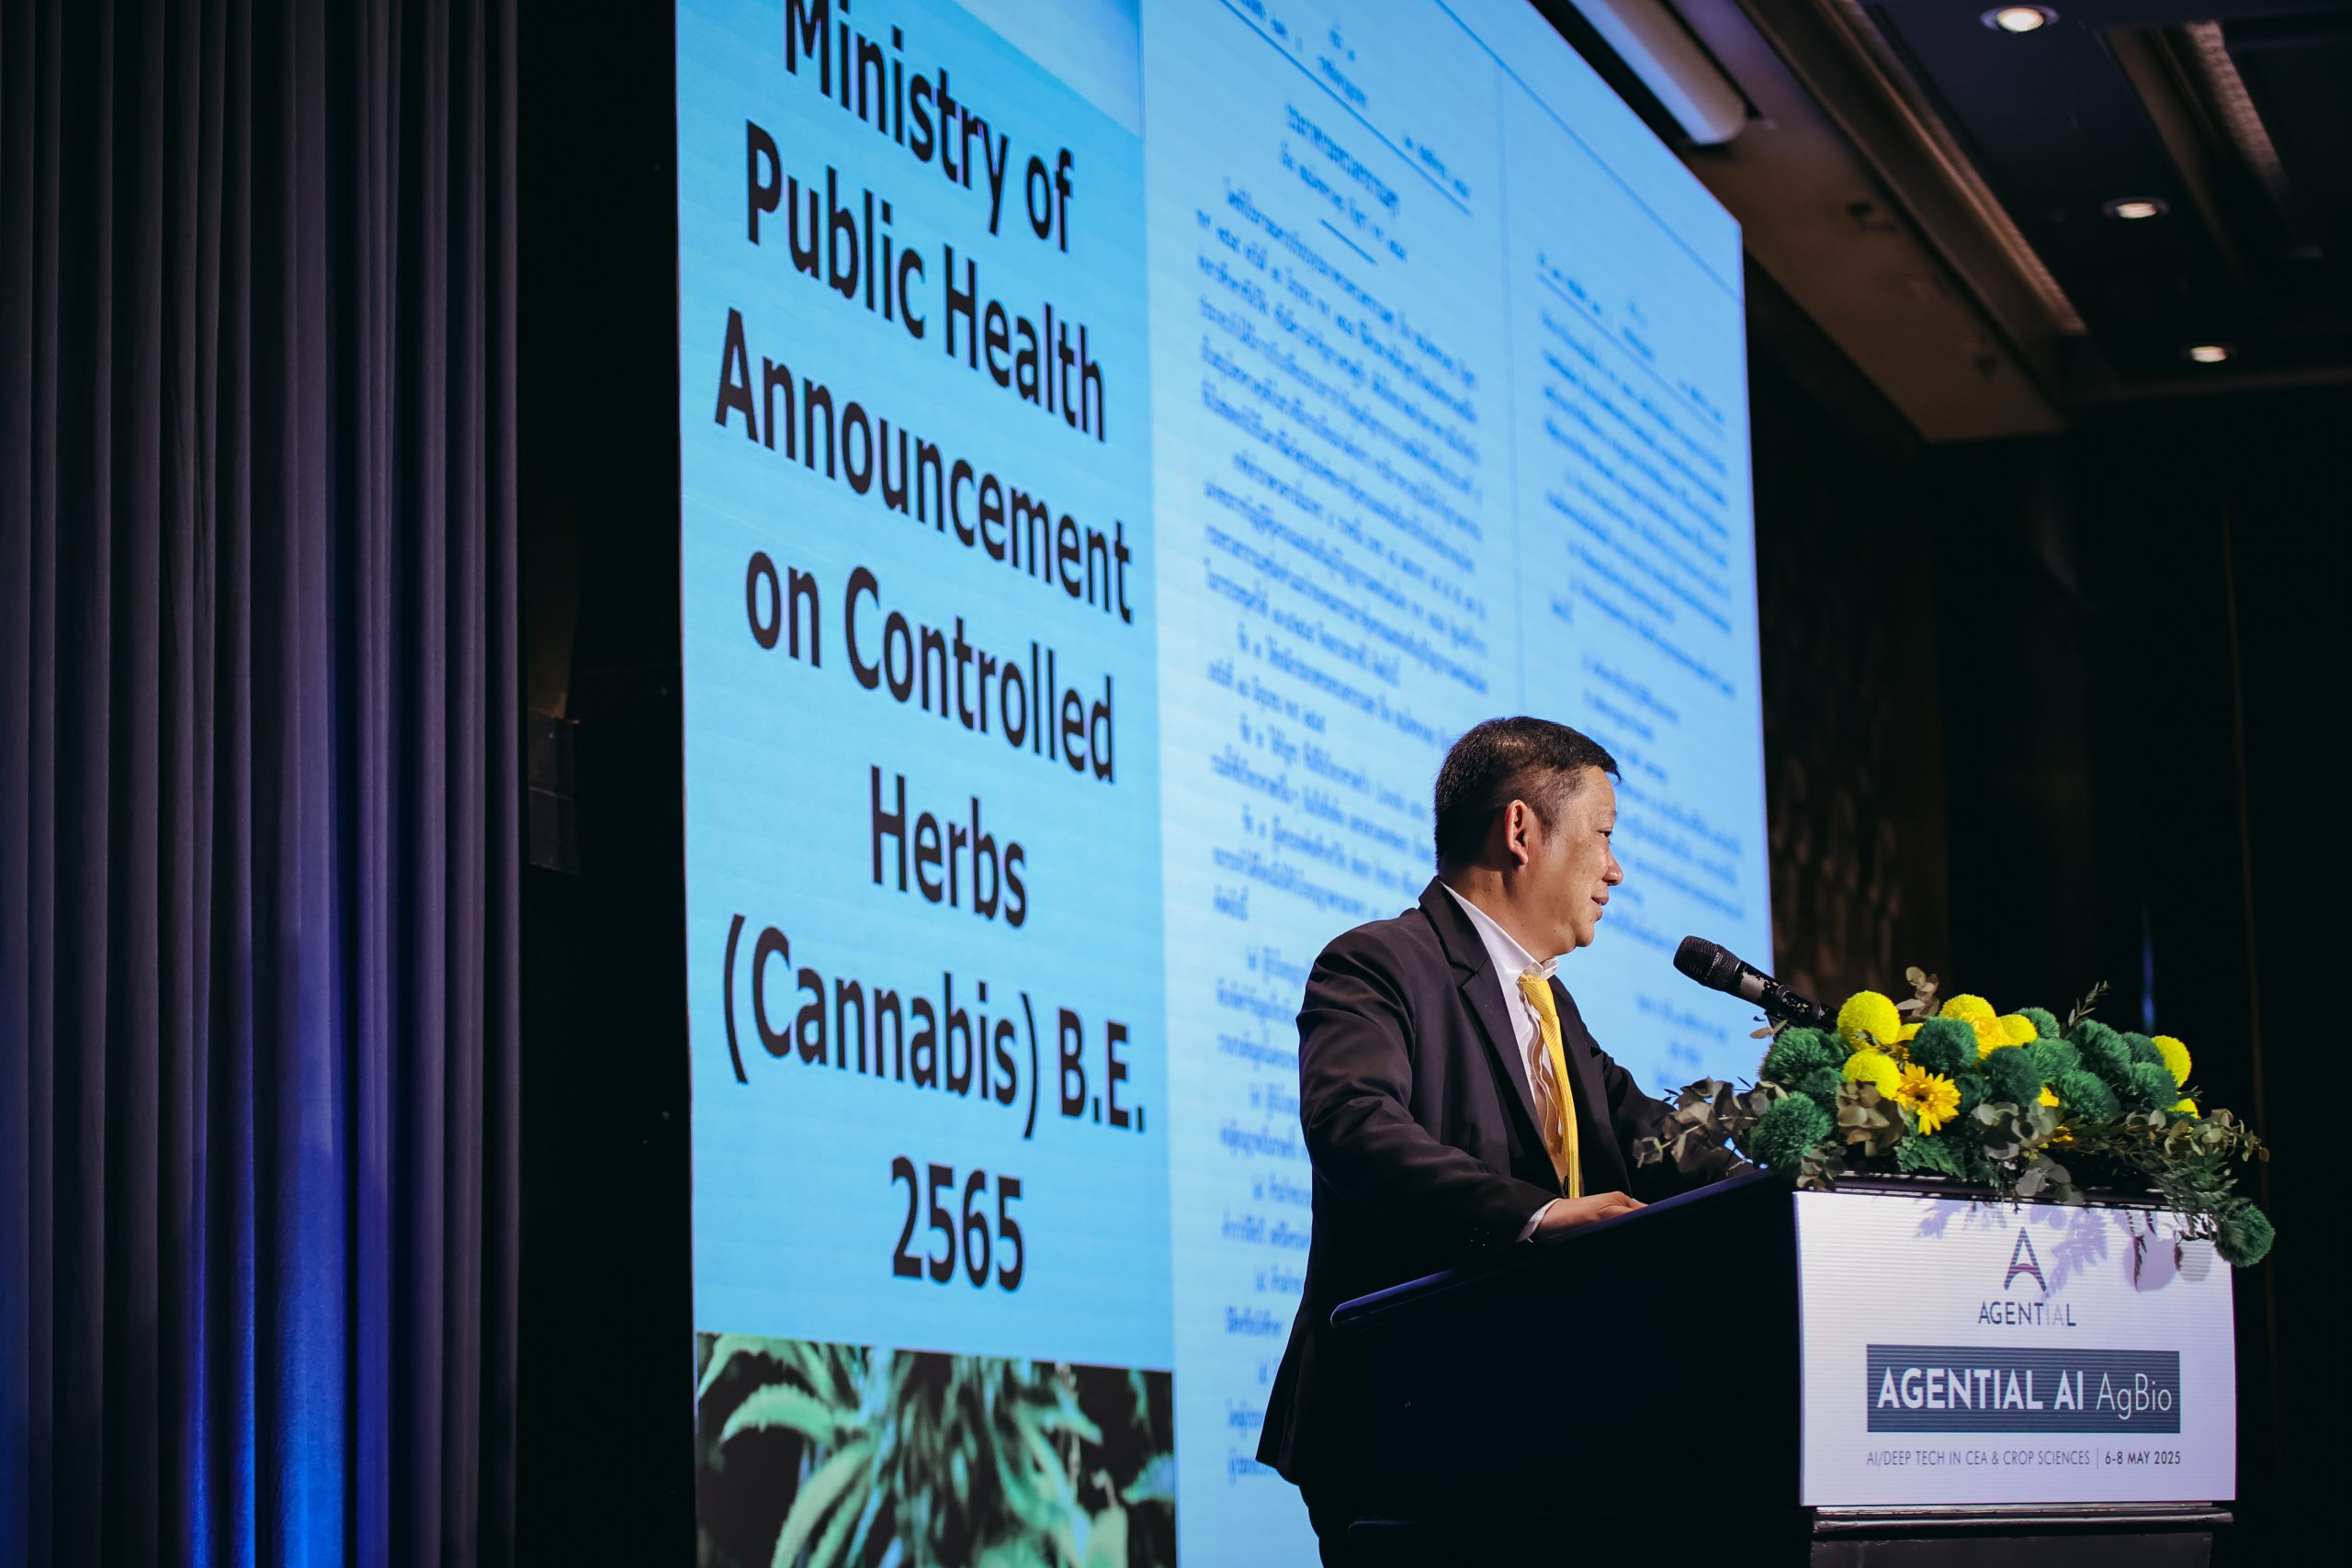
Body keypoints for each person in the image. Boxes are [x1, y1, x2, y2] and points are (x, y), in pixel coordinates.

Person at [1255, 716, 1748, 1564]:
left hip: (1550, 1434)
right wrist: (1537, 1216)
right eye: (1603, 835)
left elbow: (1658, 1141)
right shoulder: (1377, 963)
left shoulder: (1554, 1009)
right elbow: (1355, 1125)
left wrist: (1786, 1197)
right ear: (1521, 829)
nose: (1616, 869)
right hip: (1407, 1429)